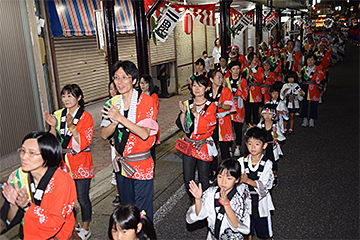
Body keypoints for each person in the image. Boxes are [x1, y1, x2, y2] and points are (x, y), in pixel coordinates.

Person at [101, 60, 158, 221]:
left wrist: (120, 118)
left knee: (143, 212)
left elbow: (144, 133)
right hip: (122, 165)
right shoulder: (112, 103)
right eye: (116, 77)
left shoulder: (146, 101)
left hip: (141, 164)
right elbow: (104, 134)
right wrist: (114, 123)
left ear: (133, 80)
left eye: (125, 77)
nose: (120, 81)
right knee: (127, 211)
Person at [0, 131, 77, 239]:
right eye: (23, 151)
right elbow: (10, 220)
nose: (24, 157)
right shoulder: (17, 177)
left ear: (48, 155)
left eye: (31, 153)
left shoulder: (62, 181)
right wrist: (14, 205)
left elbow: (54, 224)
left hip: (57, 236)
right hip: (28, 234)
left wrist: (26, 206)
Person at [44, 83, 94, 240]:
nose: (66, 99)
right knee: (66, 199)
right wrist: (52, 127)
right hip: (62, 164)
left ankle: (85, 227)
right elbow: (52, 141)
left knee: (82, 197)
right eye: (64, 95)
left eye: (70, 95)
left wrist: (72, 127)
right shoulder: (58, 115)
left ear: (79, 98)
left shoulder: (86, 117)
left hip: (80, 163)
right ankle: (73, 224)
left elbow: (82, 143)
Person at [186, 159, 250, 240]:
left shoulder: (239, 200)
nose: (223, 181)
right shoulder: (210, 193)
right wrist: (198, 199)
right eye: (220, 176)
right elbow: (200, 214)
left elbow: (237, 225)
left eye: (229, 178)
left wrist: (226, 205)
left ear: (237, 180)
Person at [175, 75, 217, 197]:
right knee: (188, 178)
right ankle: (194, 202)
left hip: (202, 145)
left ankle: (204, 204)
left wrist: (196, 115)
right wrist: (183, 114)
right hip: (189, 144)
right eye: (194, 85)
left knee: (204, 178)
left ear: (206, 88)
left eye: (200, 86)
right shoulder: (187, 104)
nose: (197, 88)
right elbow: (183, 127)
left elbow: (209, 125)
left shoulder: (211, 105)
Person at [238, 127, 275, 240]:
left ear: (264, 145)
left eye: (257, 144)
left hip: (261, 202)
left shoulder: (267, 164)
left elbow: (265, 185)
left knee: (265, 233)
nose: (253, 147)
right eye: (250, 143)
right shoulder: (241, 162)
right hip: (245, 202)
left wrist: (247, 180)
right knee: (246, 231)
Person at [208, 69, 236, 182]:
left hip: (224, 123)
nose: (221, 79)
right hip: (211, 124)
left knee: (224, 150)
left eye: (221, 77)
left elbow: (229, 107)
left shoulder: (226, 91)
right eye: (218, 77)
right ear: (211, 79)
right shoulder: (207, 92)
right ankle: (213, 171)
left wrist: (222, 105)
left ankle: (227, 172)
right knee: (212, 149)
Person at [256, 104, 285, 186]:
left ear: (274, 115)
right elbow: (256, 133)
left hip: (271, 146)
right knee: (262, 161)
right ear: (262, 114)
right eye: (265, 114)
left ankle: (274, 176)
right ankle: (263, 176)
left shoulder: (275, 124)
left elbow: (278, 137)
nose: (267, 116)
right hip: (262, 147)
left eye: (269, 114)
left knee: (273, 162)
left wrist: (275, 132)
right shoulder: (261, 124)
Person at [224, 61, 246, 157]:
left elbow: (246, 95)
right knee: (228, 129)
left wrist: (240, 89)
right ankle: (229, 147)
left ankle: (237, 147)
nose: (236, 71)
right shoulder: (226, 81)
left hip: (239, 109)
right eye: (233, 69)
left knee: (238, 129)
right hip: (228, 109)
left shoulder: (243, 81)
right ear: (230, 70)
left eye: (238, 68)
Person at [139, 74, 160, 167]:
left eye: (145, 83)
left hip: (150, 126)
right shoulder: (138, 96)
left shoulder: (153, 96)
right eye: (141, 83)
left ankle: (152, 169)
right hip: (139, 127)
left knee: (151, 150)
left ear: (150, 84)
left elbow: (153, 113)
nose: (143, 85)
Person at [299, 53, 325, 128]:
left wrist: (316, 73)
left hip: (314, 87)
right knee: (304, 103)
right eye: (308, 59)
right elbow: (300, 79)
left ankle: (312, 119)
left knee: (314, 104)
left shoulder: (318, 68)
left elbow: (321, 78)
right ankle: (304, 118)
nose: (310, 61)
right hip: (305, 87)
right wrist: (300, 74)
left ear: (315, 61)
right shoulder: (303, 68)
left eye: (312, 59)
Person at [107, 81, 121, 206]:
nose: (113, 91)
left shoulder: (125, 104)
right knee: (116, 171)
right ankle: (119, 194)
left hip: (128, 146)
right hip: (114, 145)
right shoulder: (108, 107)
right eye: (111, 89)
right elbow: (104, 133)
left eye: (115, 88)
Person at [242, 52, 265, 128]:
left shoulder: (260, 69)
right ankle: (248, 125)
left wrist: (253, 75)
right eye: (253, 58)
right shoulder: (245, 69)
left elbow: (261, 80)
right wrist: (248, 75)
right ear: (249, 59)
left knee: (255, 110)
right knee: (248, 110)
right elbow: (243, 80)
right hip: (248, 92)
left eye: (256, 57)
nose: (255, 59)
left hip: (256, 92)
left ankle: (256, 125)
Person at [315, 39, 332, 104]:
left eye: (323, 46)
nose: (321, 47)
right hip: (317, 71)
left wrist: (328, 44)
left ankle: (320, 96)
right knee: (316, 84)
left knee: (322, 84)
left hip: (324, 71)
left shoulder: (327, 53)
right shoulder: (316, 53)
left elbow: (327, 63)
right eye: (320, 46)